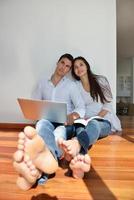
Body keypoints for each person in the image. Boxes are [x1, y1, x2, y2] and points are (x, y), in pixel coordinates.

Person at [13, 53, 86, 190]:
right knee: (41, 125)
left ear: (69, 70)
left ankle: (42, 170)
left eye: (67, 67)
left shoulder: (71, 86)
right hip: (45, 120)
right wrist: (35, 112)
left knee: (58, 134)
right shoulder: (42, 82)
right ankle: (46, 165)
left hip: (64, 123)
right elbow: (34, 103)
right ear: (57, 63)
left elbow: (81, 107)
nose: (64, 67)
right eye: (62, 63)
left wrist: (72, 116)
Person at [58, 56, 122, 179]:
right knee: (80, 128)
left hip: (103, 119)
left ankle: (77, 144)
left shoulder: (101, 80)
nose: (79, 68)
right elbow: (77, 106)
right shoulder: (75, 85)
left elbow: (108, 104)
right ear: (74, 72)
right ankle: (80, 161)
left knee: (94, 125)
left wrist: (96, 117)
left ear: (86, 66)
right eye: (75, 67)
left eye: (81, 64)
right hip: (84, 120)